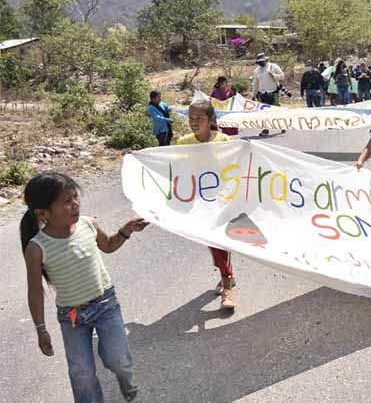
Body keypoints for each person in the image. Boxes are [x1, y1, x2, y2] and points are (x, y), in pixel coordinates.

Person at [21, 172, 149, 403]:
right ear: (42, 213)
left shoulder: (88, 224)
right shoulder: (37, 247)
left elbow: (108, 245)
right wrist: (41, 328)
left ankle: (125, 377)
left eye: (75, 197)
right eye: (66, 202)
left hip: (105, 304)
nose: (75, 205)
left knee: (118, 360)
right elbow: (35, 291)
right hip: (71, 316)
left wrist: (126, 230)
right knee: (82, 374)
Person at [176, 101, 237, 309]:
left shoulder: (224, 140)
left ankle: (228, 286)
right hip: (197, 203)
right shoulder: (183, 143)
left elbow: (234, 168)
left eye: (199, 119)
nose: (194, 123)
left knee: (218, 242)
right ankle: (226, 275)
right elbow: (173, 168)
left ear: (211, 120)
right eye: (191, 118)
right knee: (211, 241)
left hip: (221, 202)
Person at [251, 52, 286, 137]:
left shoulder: (273, 66)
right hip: (263, 93)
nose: (260, 63)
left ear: (265, 60)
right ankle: (265, 129)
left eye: (261, 61)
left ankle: (282, 125)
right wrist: (253, 95)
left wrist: (273, 75)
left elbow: (282, 76)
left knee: (276, 110)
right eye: (259, 62)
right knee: (264, 113)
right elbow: (255, 83)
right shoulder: (257, 70)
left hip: (273, 92)